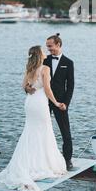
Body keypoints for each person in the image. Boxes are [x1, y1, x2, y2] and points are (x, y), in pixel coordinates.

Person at [0, 46, 67, 191]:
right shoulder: (45, 69)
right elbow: (47, 89)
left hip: (30, 103)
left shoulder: (30, 68)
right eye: (43, 51)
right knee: (44, 131)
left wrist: (29, 88)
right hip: (40, 102)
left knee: (30, 131)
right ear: (40, 55)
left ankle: (30, 162)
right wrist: (56, 103)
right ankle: (41, 163)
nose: (45, 52)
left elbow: (25, 87)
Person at [25, 33, 75, 171]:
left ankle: (68, 160)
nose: (48, 49)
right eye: (47, 47)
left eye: (50, 46)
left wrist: (66, 103)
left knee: (65, 132)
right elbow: (32, 78)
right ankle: (39, 160)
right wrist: (27, 88)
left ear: (58, 44)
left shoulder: (69, 63)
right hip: (42, 102)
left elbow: (70, 86)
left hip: (60, 102)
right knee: (41, 130)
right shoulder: (44, 60)